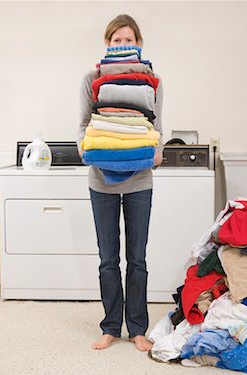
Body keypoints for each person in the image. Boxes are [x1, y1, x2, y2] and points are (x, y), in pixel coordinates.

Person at [77, 14, 164, 351]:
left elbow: (157, 123)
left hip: (141, 178)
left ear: (138, 44)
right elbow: (83, 123)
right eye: (117, 41)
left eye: (129, 40)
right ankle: (111, 325)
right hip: (101, 179)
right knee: (108, 258)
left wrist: (155, 152)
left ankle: (137, 328)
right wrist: (86, 149)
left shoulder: (152, 79)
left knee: (137, 258)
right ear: (108, 44)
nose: (124, 45)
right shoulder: (93, 77)